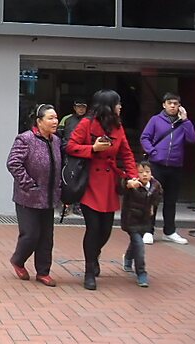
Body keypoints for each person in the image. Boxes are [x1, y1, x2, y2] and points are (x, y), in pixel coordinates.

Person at [66, 89, 140, 291]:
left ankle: (94, 254)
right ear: (109, 105)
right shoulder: (86, 124)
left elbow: (126, 154)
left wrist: (133, 176)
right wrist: (92, 149)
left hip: (109, 183)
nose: (121, 107)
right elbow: (70, 147)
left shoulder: (118, 126)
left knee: (106, 230)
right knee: (93, 228)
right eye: (118, 103)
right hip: (90, 181)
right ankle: (90, 270)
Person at [6, 103, 62, 287]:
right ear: (39, 121)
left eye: (56, 118)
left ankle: (43, 272)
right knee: (30, 234)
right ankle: (18, 260)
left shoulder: (56, 141)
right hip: (28, 197)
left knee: (47, 237)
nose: (55, 121)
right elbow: (13, 163)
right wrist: (28, 184)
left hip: (49, 197)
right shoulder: (25, 139)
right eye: (50, 118)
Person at [140, 92, 195, 245]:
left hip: (175, 166)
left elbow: (193, 139)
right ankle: (148, 230)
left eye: (176, 103)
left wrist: (186, 121)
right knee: (152, 198)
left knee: (171, 201)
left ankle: (170, 231)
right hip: (157, 165)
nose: (173, 106)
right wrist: (153, 152)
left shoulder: (183, 122)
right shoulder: (155, 120)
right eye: (170, 103)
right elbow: (144, 137)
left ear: (180, 106)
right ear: (164, 104)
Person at [121, 160, 163, 287]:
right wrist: (128, 184)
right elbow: (122, 186)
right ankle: (141, 273)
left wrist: (153, 207)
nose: (144, 175)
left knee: (136, 242)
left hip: (145, 221)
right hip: (131, 221)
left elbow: (159, 197)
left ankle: (127, 259)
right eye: (141, 172)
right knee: (139, 244)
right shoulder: (133, 185)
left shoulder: (155, 186)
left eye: (147, 172)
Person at [57, 98, 88, 216]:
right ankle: (65, 206)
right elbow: (58, 134)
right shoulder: (67, 119)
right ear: (74, 107)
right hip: (68, 153)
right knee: (66, 179)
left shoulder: (89, 120)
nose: (81, 109)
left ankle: (78, 206)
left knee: (81, 180)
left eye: (83, 107)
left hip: (84, 153)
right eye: (78, 106)